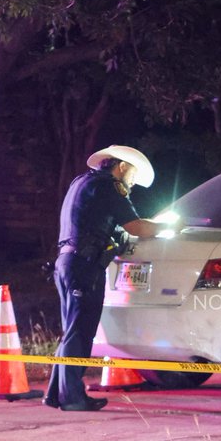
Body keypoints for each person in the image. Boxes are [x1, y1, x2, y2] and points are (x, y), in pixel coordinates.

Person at [45, 145, 160, 411]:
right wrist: (170, 225)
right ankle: (73, 398)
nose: (132, 183)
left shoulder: (82, 182)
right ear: (121, 167)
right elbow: (138, 227)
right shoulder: (109, 186)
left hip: (68, 262)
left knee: (72, 330)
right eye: (132, 176)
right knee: (81, 331)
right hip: (84, 266)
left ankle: (56, 394)